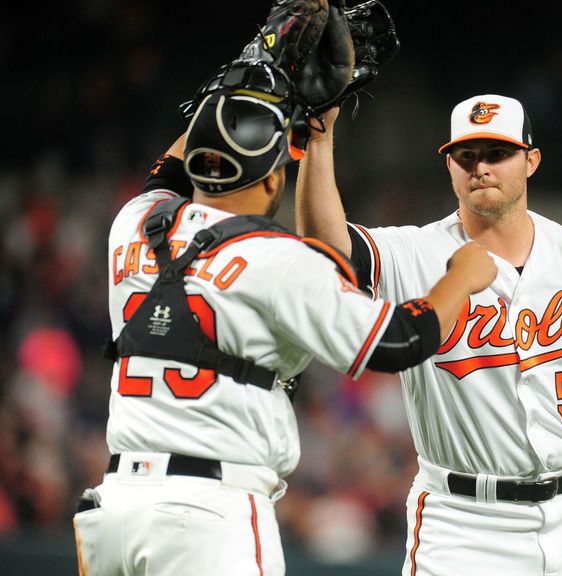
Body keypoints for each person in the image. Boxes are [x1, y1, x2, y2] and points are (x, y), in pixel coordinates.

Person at [71, 83, 497, 575]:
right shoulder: (276, 259)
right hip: (206, 518)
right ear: (274, 181)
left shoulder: (136, 224)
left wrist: (247, 78)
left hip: (116, 508)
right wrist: (461, 277)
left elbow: (167, 170)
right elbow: (397, 340)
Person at [295, 94, 562, 575]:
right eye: (466, 155)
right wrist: (318, 141)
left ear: (531, 161)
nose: (480, 166)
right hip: (464, 522)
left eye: (497, 153)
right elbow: (323, 251)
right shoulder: (414, 253)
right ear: (449, 166)